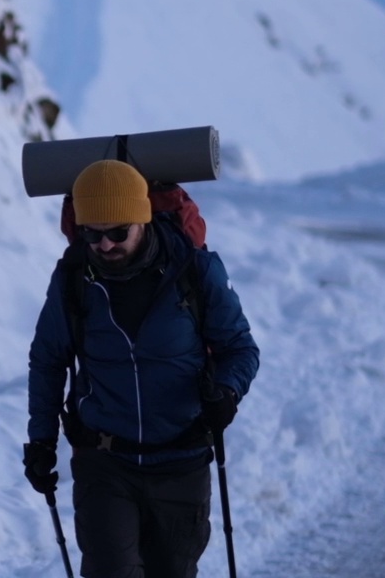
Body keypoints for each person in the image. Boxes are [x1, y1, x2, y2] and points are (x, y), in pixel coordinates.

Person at [23, 159, 260, 578]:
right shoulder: (74, 278)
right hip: (104, 461)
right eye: (92, 233)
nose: (105, 245)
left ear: (142, 220)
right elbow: (48, 360)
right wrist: (41, 440)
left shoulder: (194, 271)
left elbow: (239, 347)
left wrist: (226, 392)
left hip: (182, 459)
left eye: (118, 232)